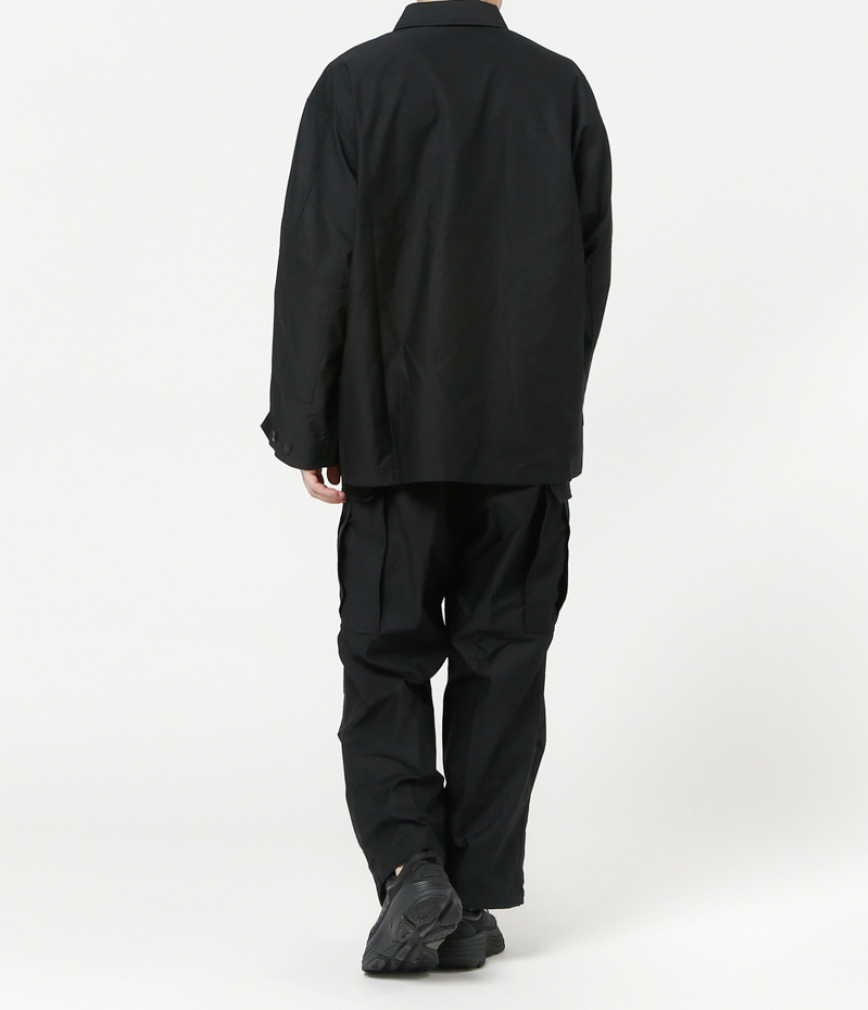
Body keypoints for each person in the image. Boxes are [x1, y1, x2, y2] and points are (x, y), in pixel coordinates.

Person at [260, 0, 611, 974]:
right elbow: (588, 268)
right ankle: (471, 889)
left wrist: (307, 423)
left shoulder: (354, 85)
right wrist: (545, 408)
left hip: (392, 436)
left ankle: (414, 869)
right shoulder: (557, 89)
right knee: (504, 660)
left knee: (385, 656)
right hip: (523, 440)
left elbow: (316, 261)